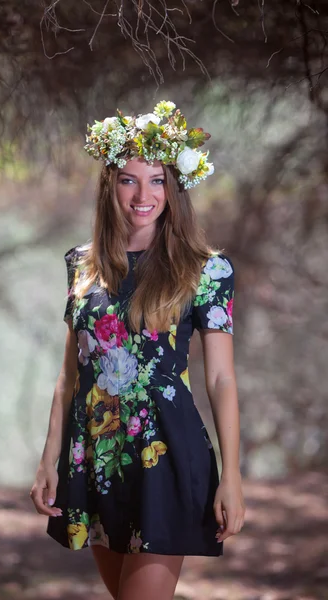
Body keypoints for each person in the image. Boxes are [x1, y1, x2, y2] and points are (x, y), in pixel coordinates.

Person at [30, 101, 245, 600]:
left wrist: (232, 477)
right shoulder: (80, 265)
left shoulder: (207, 270)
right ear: (110, 185)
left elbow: (221, 380)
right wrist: (49, 459)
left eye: (156, 180)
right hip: (97, 457)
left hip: (165, 456)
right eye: (128, 180)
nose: (143, 195)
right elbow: (70, 376)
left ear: (175, 186)